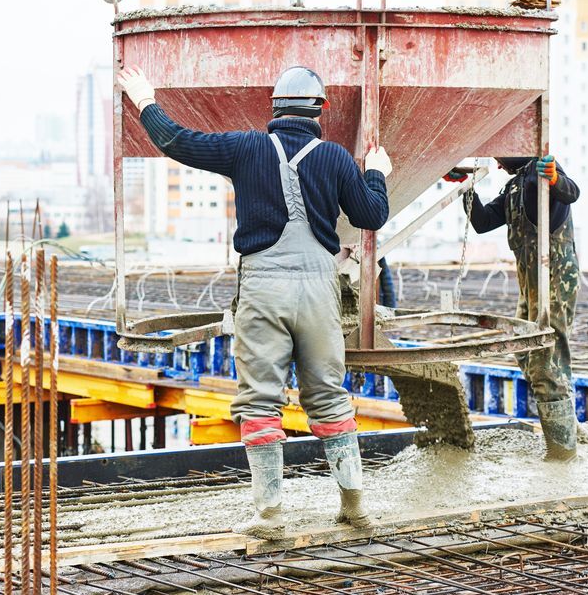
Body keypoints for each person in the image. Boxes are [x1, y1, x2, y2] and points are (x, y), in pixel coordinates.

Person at [118, 65, 391, 538]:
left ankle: (269, 516)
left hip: (263, 289)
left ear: (274, 109)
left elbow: (175, 141)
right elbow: (372, 214)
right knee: (328, 396)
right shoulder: (336, 158)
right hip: (318, 292)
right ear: (320, 111)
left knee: (261, 400)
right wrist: (377, 174)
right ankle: (355, 508)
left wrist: (143, 97)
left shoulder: (245, 148)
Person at [450, 155, 581, 460]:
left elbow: (571, 192)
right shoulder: (515, 188)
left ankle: (563, 452)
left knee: (547, 355)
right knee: (524, 350)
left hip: (555, 280)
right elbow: (482, 223)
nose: (497, 163)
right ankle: (568, 425)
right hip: (531, 285)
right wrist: (466, 188)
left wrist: (555, 178)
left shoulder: (540, 175)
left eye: (500, 157)